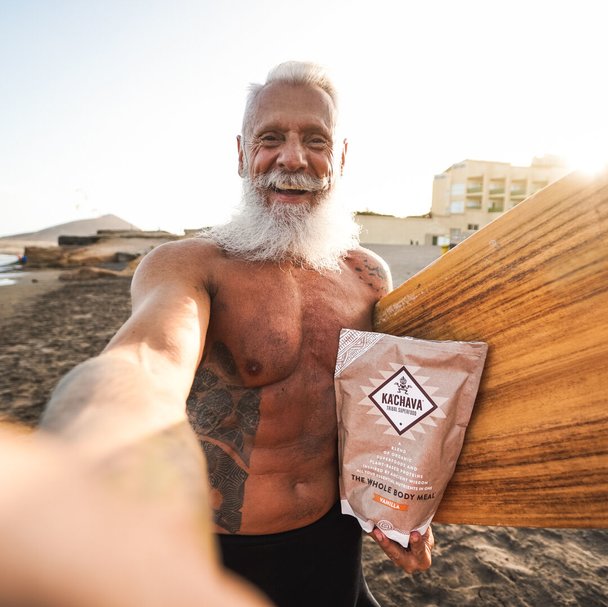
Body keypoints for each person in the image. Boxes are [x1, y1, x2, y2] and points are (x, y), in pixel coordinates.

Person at [39, 61, 434, 607]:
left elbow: (374, 412)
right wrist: (91, 434)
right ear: (242, 153)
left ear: (340, 158)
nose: (293, 159)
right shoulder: (190, 265)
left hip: (334, 546)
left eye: (315, 140)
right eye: (271, 138)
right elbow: (150, 354)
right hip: (218, 556)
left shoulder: (367, 276)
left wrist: (396, 510)